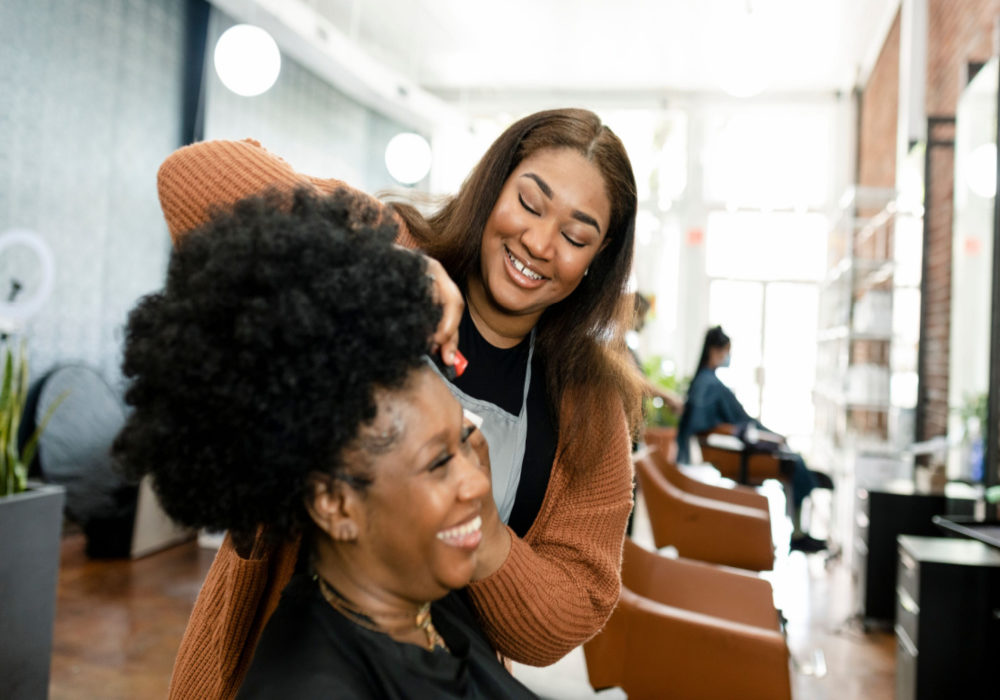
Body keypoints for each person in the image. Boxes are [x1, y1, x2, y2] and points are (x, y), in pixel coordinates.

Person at [155, 108, 642, 698]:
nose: (539, 244)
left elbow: (566, 615)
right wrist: (378, 270)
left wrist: (483, 532)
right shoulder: (389, 243)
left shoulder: (587, 402)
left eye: (574, 236)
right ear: (493, 187)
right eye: (530, 203)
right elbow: (190, 177)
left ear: (598, 257)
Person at [113, 189, 538, 698]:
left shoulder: (420, 603)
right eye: (440, 462)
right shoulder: (314, 684)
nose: (477, 482)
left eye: (466, 440)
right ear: (335, 504)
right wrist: (397, 258)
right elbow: (187, 175)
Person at [676, 325, 830, 553]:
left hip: (739, 442)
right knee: (794, 463)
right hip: (735, 453)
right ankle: (797, 534)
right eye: (727, 351)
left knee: (793, 460)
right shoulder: (709, 384)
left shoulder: (706, 381)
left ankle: (798, 533)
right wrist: (756, 435)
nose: (728, 357)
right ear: (716, 350)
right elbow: (714, 426)